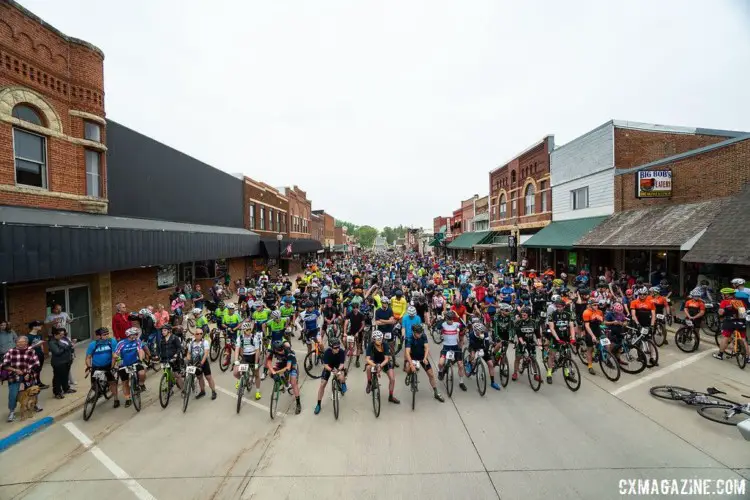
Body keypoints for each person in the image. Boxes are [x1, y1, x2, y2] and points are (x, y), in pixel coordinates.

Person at [2, 336, 41, 422]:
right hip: (14, 376)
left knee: (34, 391)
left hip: (28, 375)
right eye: (18, 342)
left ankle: (34, 405)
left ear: (26, 343)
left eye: (22, 342)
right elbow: (4, 365)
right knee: (13, 394)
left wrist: (29, 373)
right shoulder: (11, 351)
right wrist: (15, 370)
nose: (20, 344)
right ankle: (11, 411)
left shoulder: (31, 351)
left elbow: (36, 364)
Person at [404, 324, 444, 402]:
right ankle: (409, 374)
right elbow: (407, 353)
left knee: (431, 375)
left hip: (422, 357)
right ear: (414, 332)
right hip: (412, 358)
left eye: (421, 332)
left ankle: (436, 392)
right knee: (408, 369)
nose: (420, 334)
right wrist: (411, 364)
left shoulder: (423, 336)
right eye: (418, 333)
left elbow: (427, 348)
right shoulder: (409, 339)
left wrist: (425, 358)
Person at [85, 327, 119, 408]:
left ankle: (116, 399)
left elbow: (114, 355)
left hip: (108, 366)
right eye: (104, 334)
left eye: (107, 334)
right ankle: (98, 392)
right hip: (96, 367)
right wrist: (89, 366)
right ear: (98, 336)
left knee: (112, 383)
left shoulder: (112, 341)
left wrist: (112, 366)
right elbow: (88, 357)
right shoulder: (93, 344)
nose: (107, 336)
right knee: (94, 385)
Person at [714, 288, 750, 364]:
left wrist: (720, 311)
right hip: (740, 322)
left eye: (723, 294)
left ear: (727, 295)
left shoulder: (725, 302)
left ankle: (720, 355)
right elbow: (743, 315)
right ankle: (747, 358)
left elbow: (720, 313)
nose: (722, 295)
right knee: (743, 339)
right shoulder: (740, 301)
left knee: (726, 338)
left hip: (729, 322)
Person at [266, 340, 302, 414]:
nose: (282, 351)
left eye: (283, 349)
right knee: (270, 373)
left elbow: (288, 368)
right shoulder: (273, 350)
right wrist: (273, 372)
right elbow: (268, 363)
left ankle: (298, 403)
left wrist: (276, 373)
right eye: (280, 350)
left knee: (293, 382)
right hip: (282, 363)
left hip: (291, 364)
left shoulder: (289, 352)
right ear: (275, 350)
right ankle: (281, 382)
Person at [314, 337, 347, 415]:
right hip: (329, 367)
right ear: (331, 347)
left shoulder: (341, 352)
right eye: (335, 348)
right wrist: (332, 370)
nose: (337, 349)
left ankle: (343, 383)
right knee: (322, 384)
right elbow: (325, 365)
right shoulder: (327, 352)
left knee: (341, 377)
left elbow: (342, 364)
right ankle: (318, 404)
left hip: (338, 366)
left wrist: (338, 370)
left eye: (338, 347)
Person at [365, 330, 400, 404]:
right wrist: (375, 365)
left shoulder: (385, 344)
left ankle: (391, 396)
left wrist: (380, 366)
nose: (380, 340)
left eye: (381, 338)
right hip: (374, 361)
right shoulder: (370, 345)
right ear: (374, 340)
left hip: (383, 362)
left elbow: (387, 359)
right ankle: (369, 382)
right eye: (378, 339)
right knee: (368, 368)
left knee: (392, 379)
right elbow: (367, 359)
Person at [437, 311, 467, 392]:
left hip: (455, 347)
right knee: (440, 363)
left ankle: (461, 382)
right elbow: (437, 326)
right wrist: (442, 318)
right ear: (446, 319)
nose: (451, 321)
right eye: (449, 319)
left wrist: (458, 316)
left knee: (460, 365)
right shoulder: (443, 324)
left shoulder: (456, 324)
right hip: (446, 347)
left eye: (452, 319)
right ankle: (440, 371)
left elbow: (464, 325)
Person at [115, 328, 146, 407]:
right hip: (124, 365)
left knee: (142, 373)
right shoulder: (121, 343)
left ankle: (141, 384)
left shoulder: (137, 341)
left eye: (136, 334)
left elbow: (140, 350)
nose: (136, 336)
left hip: (135, 362)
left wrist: (140, 360)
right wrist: (118, 361)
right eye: (135, 334)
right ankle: (128, 399)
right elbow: (115, 354)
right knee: (125, 382)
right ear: (129, 335)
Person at [185, 329, 218, 400]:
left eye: (201, 333)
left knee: (208, 377)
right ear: (194, 334)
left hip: (203, 362)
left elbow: (206, 353)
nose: (199, 335)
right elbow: (189, 353)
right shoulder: (191, 343)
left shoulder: (205, 342)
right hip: (194, 363)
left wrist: (201, 363)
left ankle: (213, 391)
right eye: (197, 334)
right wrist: (188, 360)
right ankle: (202, 391)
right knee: (199, 377)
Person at [233, 323, 262, 400]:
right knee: (236, 372)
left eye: (250, 329)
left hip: (253, 356)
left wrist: (256, 363)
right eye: (247, 330)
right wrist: (236, 360)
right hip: (245, 357)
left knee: (256, 375)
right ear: (243, 330)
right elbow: (237, 349)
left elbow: (257, 351)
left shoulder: (255, 337)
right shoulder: (240, 338)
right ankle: (241, 380)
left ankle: (258, 392)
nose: (249, 331)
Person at [49, 327, 76, 399]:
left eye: (62, 335)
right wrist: (65, 347)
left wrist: (69, 347)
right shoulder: (52, 342)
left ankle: (66, 388)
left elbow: (69, 347)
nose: (62, 336)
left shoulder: (62, 340)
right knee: (58, 378)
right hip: (59, 363)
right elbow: (57, 352)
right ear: (55, 335)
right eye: (60, 335)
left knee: (65, 376)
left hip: (67, 361)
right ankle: (57, 392)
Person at [159, 325, 184, 392]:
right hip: (164, 359)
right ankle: (170, 387)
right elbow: (159, 349)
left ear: (169, 331)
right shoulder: (162, 339)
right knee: (167, 372)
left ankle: (183, 390)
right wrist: (157, 355)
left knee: (177, 375)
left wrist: (176, 355)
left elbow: (179, 348)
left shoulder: (174, 338)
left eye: (164, 330)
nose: (163, 332)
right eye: (162, 331)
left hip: (174, 359)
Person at [26, 321, 48, 389]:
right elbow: (26, 348)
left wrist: (43, 352)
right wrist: (35, 345)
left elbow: (41, 345)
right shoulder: (28, 337)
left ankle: (38, 382)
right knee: (34, 370)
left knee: (39, 369)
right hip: (33, 356)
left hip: (40, 354)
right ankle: (33, 384)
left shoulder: (39, 335)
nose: (40, 326)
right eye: (39, 325)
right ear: (34, 327)